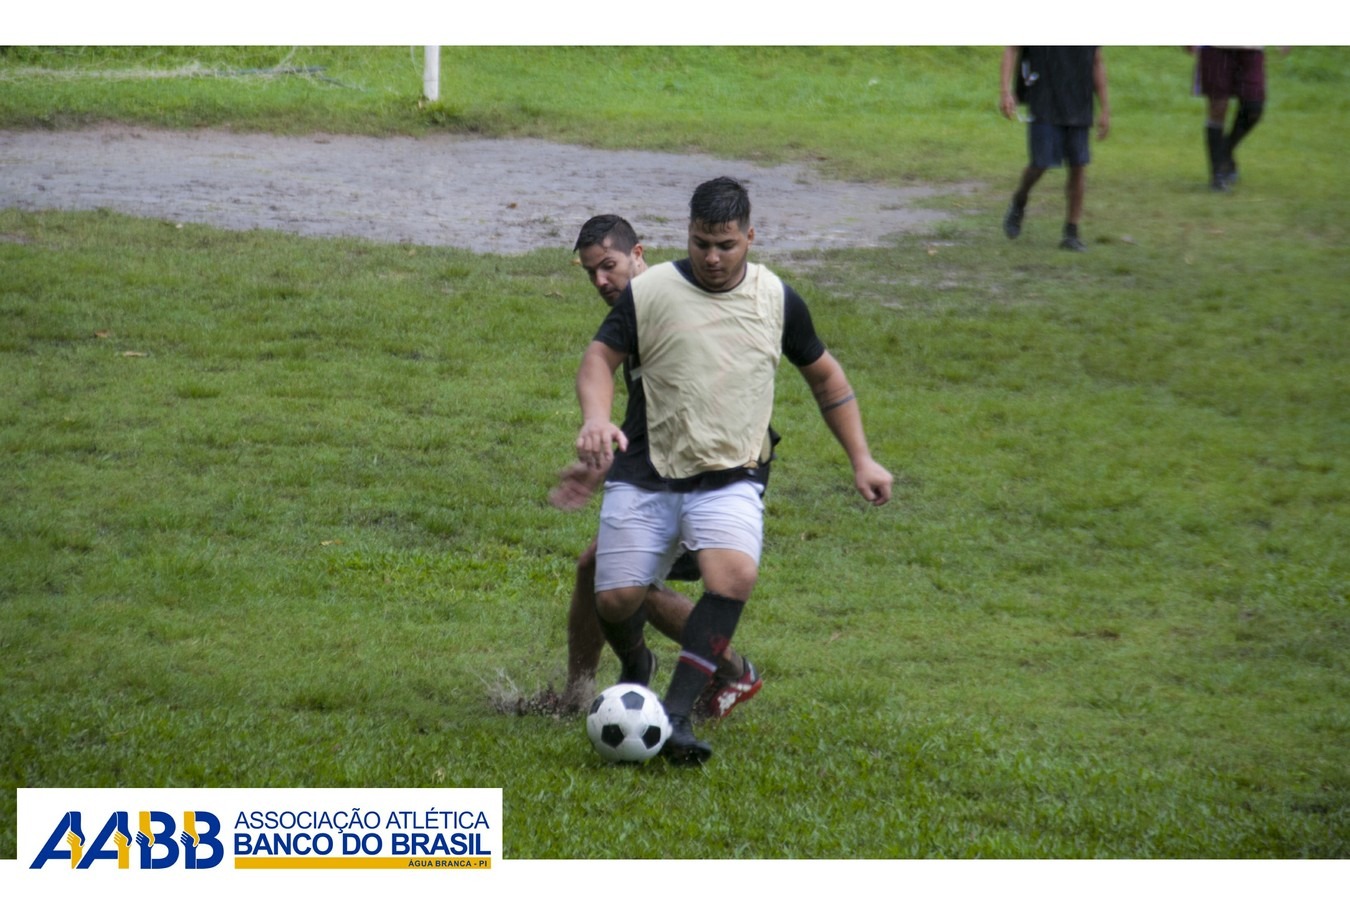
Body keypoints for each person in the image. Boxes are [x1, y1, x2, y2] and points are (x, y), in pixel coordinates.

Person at [574, 178, 893, 764]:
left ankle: (675, 716)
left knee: (734, 576)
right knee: (616, 598)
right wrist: (596, 418)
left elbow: (826, 377)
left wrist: (861, 457)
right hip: (648, 471)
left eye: (726, 245)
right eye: (701, 244)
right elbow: (598, 359)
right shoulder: (650, 294)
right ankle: (636, 663)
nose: (714, 258)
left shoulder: (777, 299)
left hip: (731, 473)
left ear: (750, 236)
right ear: (686, 236)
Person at [550, 214, 763, 718]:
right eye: (590, 273)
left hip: (708, 479)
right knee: (597, 571)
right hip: (665, 474)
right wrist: (604, 460)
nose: (601, 281)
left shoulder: (666, 308)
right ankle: (583, 690)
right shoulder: (635, 312)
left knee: (624, 582)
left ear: (637, 253)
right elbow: (650, 418)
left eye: (609, 266)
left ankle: (731, 670)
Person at [999, 46, 1110, 251]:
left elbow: (1096, 61)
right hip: (1044, 98)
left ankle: (1071, 233)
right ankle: (1020, 199)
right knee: (1039, 164)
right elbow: (1012, 49)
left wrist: (1104, 108)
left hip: (1079, 102)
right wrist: (1006, 92)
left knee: (1078, 165)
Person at [1189, 46, 1270, 192]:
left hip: (1252, 47)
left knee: (1254, 107)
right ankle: (1217, 176)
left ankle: (1224, 152)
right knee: (1218, 106)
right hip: (1215, 46)